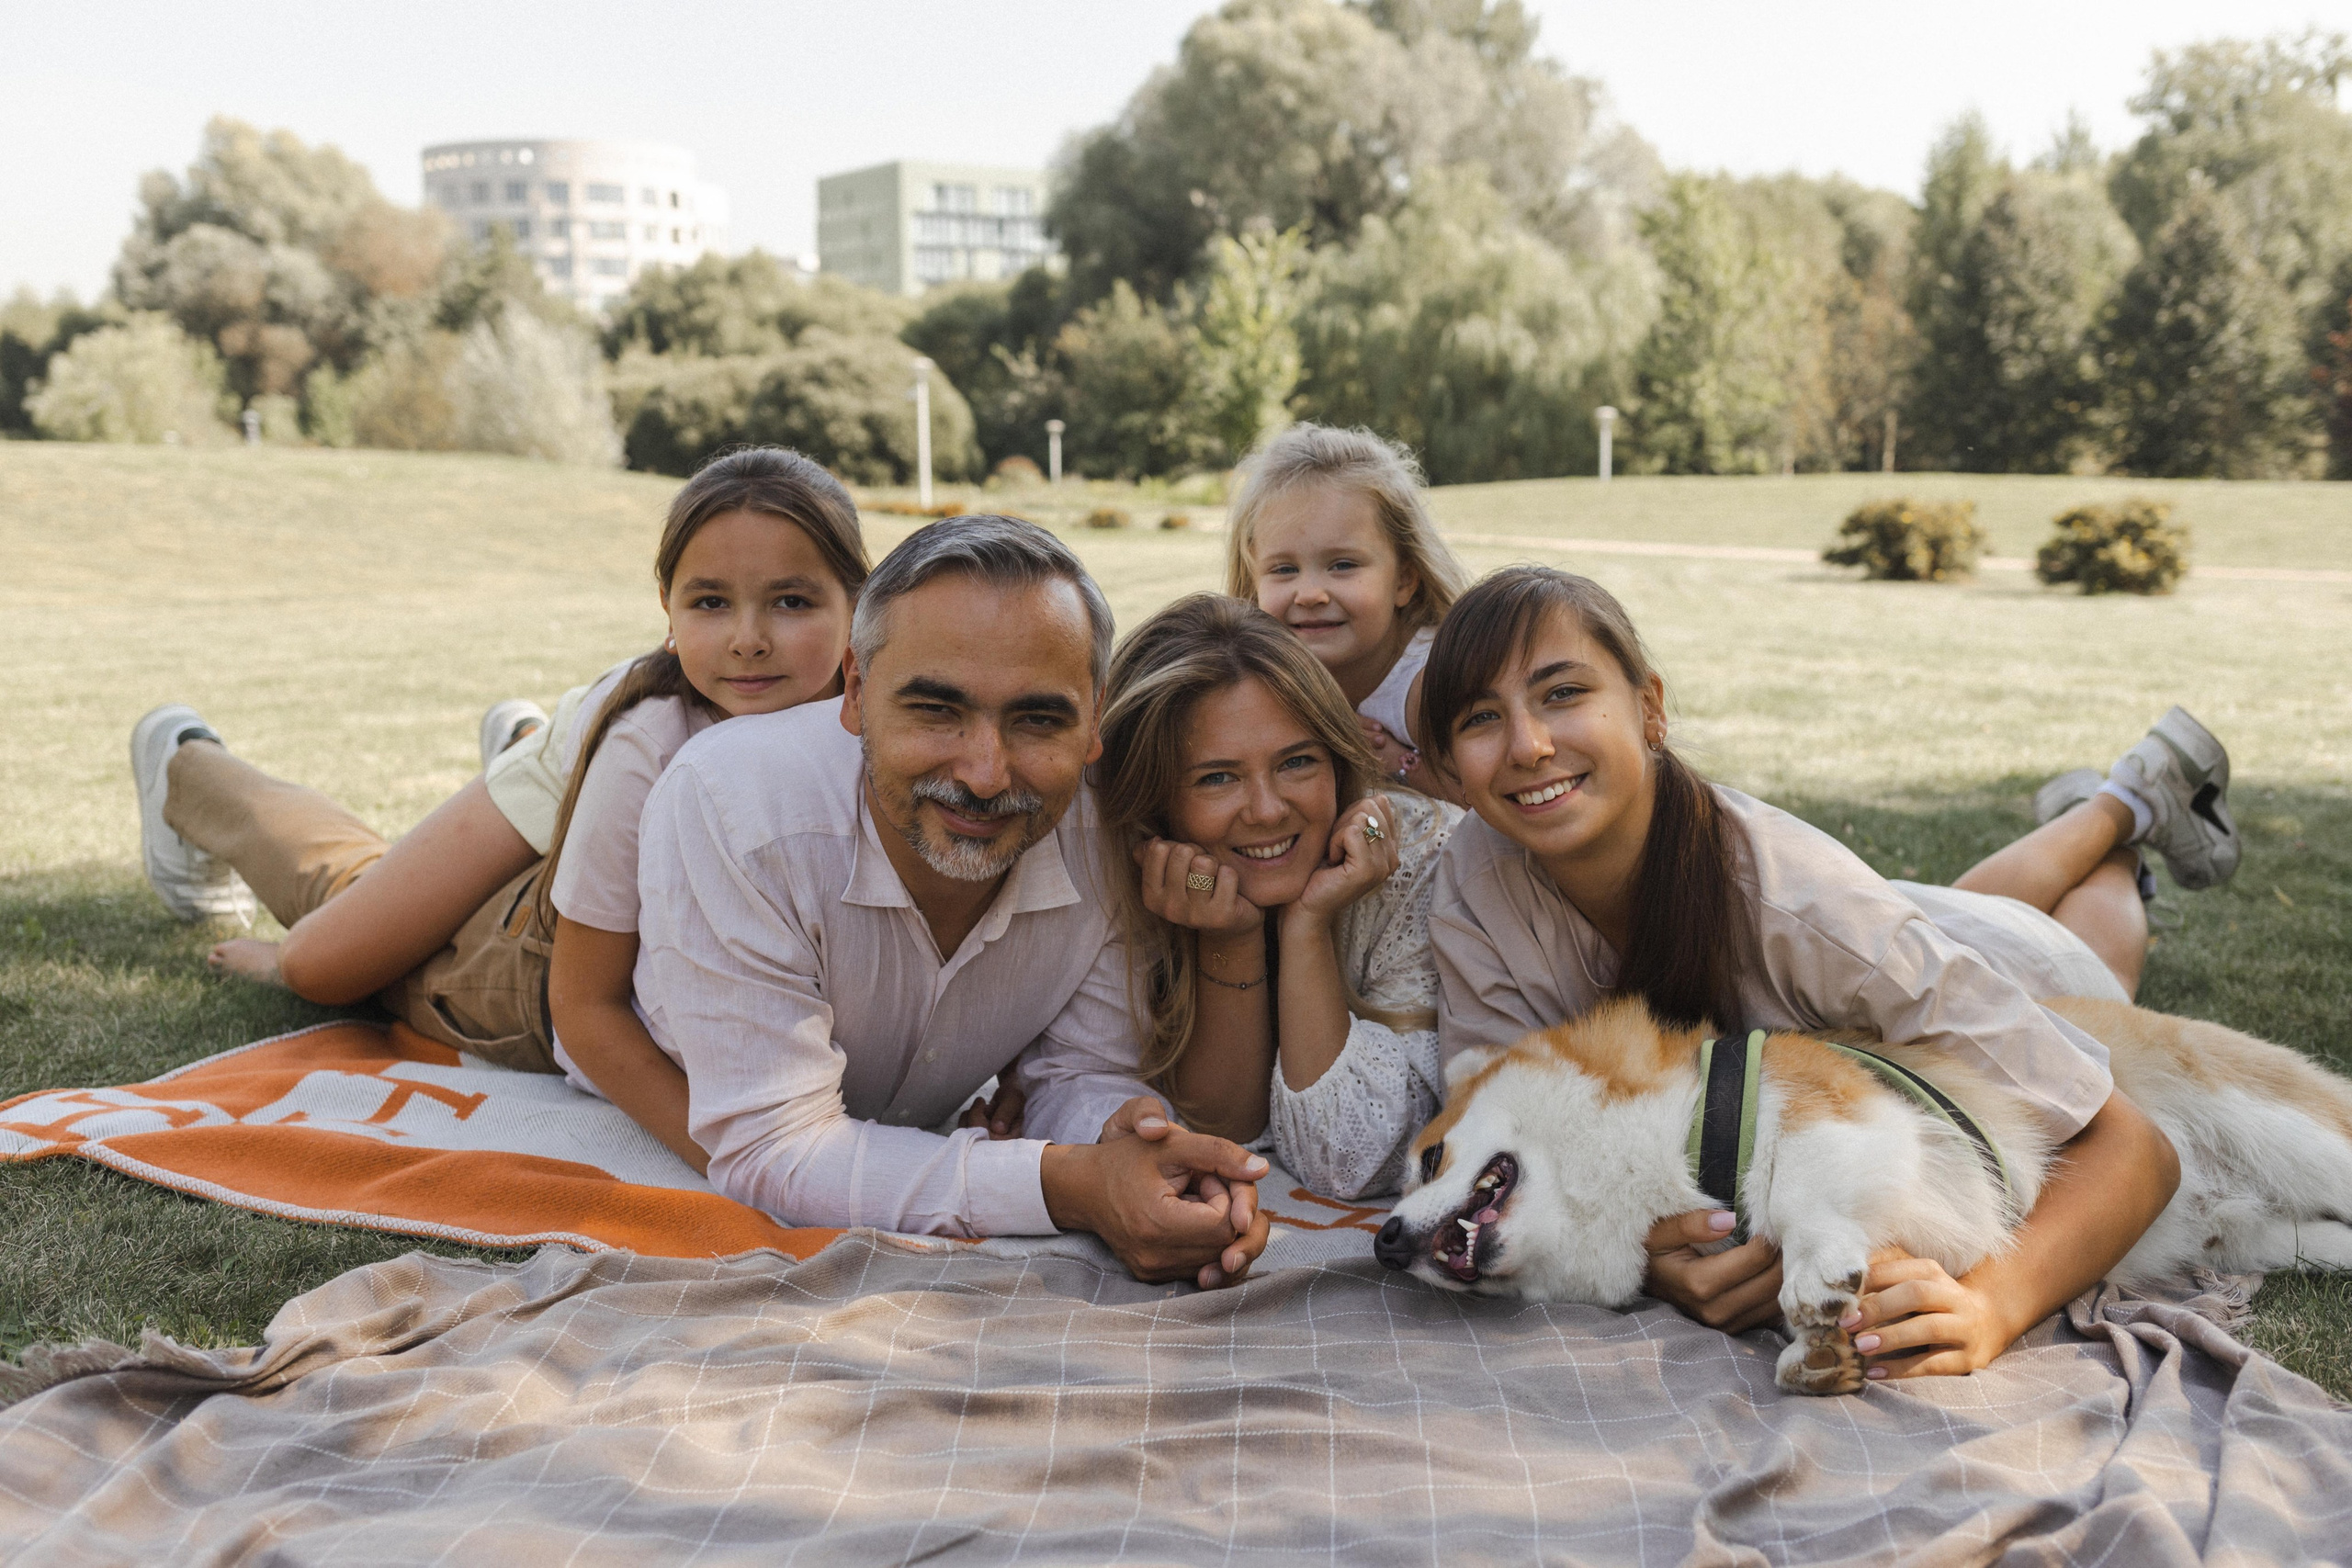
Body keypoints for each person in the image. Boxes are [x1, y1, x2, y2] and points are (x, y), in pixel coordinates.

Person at [1419, 565, 2223, 1382]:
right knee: (1947, 914)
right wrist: (1656, 1260)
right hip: (1899, 935)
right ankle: (2112, 809)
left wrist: (1992, 1305)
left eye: (1561, 693)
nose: (1529, 745)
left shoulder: (1805, 905)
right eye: (1483, 717)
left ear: (1651, 707)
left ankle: (2124, 814)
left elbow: (2133, 1147)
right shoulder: (1474, 884)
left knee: (2087, 964)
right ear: (1450, 764)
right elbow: (1503, 1127)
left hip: (2007, 967)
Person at [130, 447, 876, 1171]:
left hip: (597, 847)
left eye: (791, 601)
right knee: (322, 961)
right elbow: (586, 1007)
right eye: (711, 601)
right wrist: (752, 1162)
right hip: (540, 916)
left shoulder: (894, 719)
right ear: (667, 607)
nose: (748, 639)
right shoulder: (643, 733)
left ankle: (517, 733)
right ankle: (186, 767)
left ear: (858, 603)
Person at [630, 515, 1272, 1287]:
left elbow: (1079, 1073)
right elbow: (776, 1147)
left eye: (1037, 719)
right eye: (937, 710)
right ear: (857, 691)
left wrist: (1136, 1146)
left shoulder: (1103, 829)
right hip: (513, 972)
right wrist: (1067, 1185)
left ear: (1094, 718)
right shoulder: (733, 808)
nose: (985, 773)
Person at [1092, 592, 1462, 1199]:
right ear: (1154, 798)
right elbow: (1228, 1130)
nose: (1268, 810)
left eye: (1296, 762)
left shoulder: (1417, 854)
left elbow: (1348, 1159)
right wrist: (1231, 939)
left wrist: (1308, 922)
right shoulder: (1126, 871)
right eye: (1217, 777)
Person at [1225, 424, 1468, 801]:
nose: (1309, 594)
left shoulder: (1428, 688)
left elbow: (1487, 806)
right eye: (1284, 570)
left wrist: (1391, 760)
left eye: (1342, 565)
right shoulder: (1265, 680)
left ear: (1404, 580)